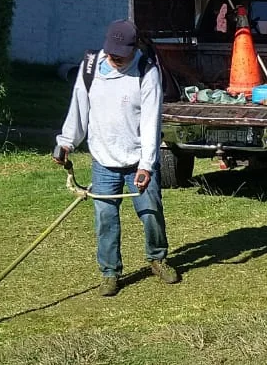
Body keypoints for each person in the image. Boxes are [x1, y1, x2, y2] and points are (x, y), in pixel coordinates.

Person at [53, 20, 180, 296]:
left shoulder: (147, 71)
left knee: (150, 214)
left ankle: (157, 258)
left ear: (134, 49)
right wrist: (65, 143)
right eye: (112, 54)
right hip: (103, 161)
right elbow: (78, 107)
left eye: (122, 55)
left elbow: (150, 122)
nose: (115, 60)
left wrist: (147, 164)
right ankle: (110, 272)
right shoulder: (90, 68)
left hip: (137, 160)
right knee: (106, 218)